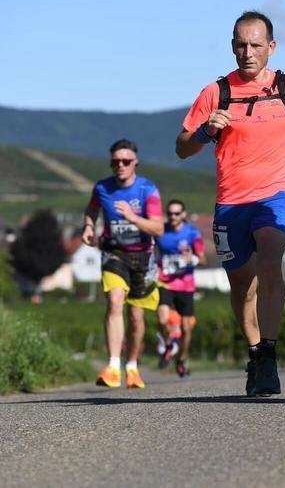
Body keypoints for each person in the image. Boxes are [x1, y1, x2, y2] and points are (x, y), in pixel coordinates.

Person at [176, 10, 285, 397]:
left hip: (278, 193)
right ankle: (255, 353)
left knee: (272, 257)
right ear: (232, 47)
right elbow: (182, 148)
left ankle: (270, 356)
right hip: (231, 202)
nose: (248, 52)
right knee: (242, 287)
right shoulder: (216, 92)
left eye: (256, 45)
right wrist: (207, 131)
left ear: (271, 47)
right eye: (241, 44)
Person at [82, 139, 164, 389]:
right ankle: (113, 366)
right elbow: (92, 209)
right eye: (116, 162)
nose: (120, 165)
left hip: (143, 256)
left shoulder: (147, 190)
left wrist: (131, 216)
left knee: (136, 316)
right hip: (114, 253)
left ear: (135, 163)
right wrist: (87, 227)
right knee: (115, 301)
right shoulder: (102, 188)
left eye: (126, 161)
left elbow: (158, 228)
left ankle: (132, 367)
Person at [156, 199, 206, 377]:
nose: (173, 216)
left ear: (184, 214)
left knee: (186, 328)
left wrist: (191, 259)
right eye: (170, 213)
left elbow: (202, 259)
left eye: (177, 213)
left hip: (185, 285)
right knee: (162, 319)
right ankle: (169, 345)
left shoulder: (192, 233)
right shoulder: (161, 231)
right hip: (165, 282)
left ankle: (181, 358)